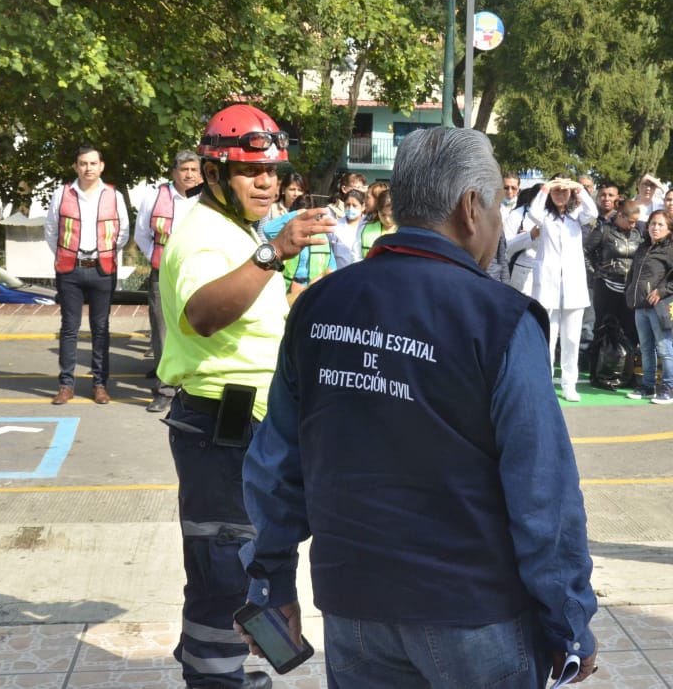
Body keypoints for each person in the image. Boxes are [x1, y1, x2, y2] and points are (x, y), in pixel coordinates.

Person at [238, 127, 598, 688]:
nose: (503, 225)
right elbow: (542, 492)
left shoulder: (320, 305)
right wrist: (569, 620)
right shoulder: (500, 319)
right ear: (470, 207)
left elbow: (275, 462)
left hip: (353, 606)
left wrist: (271, 583)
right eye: (501, 207)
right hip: (474, 614)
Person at [160, 103, 334, 689]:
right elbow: (204, 314)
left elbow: (253, 316)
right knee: (224, 566)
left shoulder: (237, 228)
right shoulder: (204, 230)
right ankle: (215, 679)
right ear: (213, 174)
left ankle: (221, 669)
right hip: (219, 426)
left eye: (274, 174)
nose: (267, 183)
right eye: (249, 172)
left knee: (243, 558)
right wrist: (274, 254)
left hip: (247, 424)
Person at [43, 144, 130, 405]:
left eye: (93, 163)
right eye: (83, 163)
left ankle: (100, 385)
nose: (88, 168)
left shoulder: (114, 196)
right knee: (69, 329)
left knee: (101, 329)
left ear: (101, 166)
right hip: (71, 269)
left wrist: (105, 253)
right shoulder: (61, 194)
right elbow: (51, 231)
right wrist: (68, 254)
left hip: (102, 269)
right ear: (75, 166)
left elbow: (123, 232)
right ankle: (66, 384)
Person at [134, 150, 204, 414]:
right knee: (162, 330)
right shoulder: (155, 196)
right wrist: (159, 260)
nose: (189, 174)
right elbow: (142, 234)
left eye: (193, 170)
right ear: (174, 172)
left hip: (198, 273)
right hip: (162, 272)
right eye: (184, 169)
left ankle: (193, 388)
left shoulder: (208, 197)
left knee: (196, 328)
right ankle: (165, 390)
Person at [529, 175, 599, 401]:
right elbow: (533, 214)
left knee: (571, 339)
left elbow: (593, 213)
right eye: (556, 191)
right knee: (548, 337)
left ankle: (569, 383)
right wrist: (545, 189)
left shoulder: (577, 216)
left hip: (573, 287)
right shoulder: (545, 217)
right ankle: (545, 381)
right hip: (548, 286)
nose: (560, 194)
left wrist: (579, 189)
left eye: (564, 191)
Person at [625, 209, 673, 404]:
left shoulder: (671, 249)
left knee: (664, 346)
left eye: (661, 224)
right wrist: (629, 291)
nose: (655, 227)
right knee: (646, 348)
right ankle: (648, 385)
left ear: (669, 229)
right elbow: (633, 274)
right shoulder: (643, 247)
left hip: (659, 307)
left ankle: (668, 388)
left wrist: (662, 291)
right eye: (653, 223)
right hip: (640, 306)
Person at [585, 198, 643, 349]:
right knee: (602, 328)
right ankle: (596, 368)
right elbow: (584, 252)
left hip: (629, 289)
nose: (633, 225)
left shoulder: (637, 234)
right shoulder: (604, 230)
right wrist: (596, 272)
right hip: (606, 286)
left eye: (636, 221)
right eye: (630, 221)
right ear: (620, 216)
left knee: (629, 329)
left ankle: (626, 369)